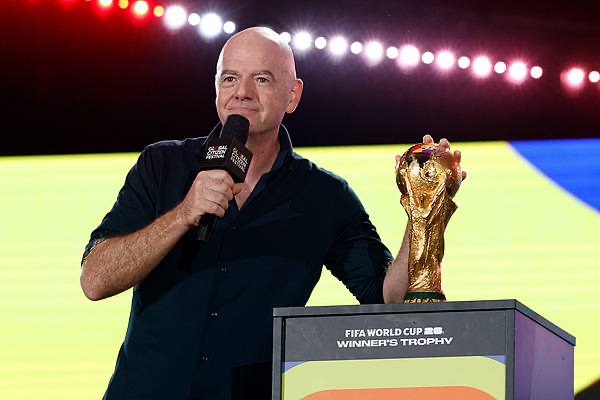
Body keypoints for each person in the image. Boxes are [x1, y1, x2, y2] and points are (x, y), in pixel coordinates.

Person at [80, 27, 464, 399]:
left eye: (261, 79)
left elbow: (387, 299)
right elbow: (95, 280)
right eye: (230, 78)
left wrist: (424, 214)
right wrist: (183, 214)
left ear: (293, 95)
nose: (242, 92)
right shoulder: (162, 164)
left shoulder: (324, 196)